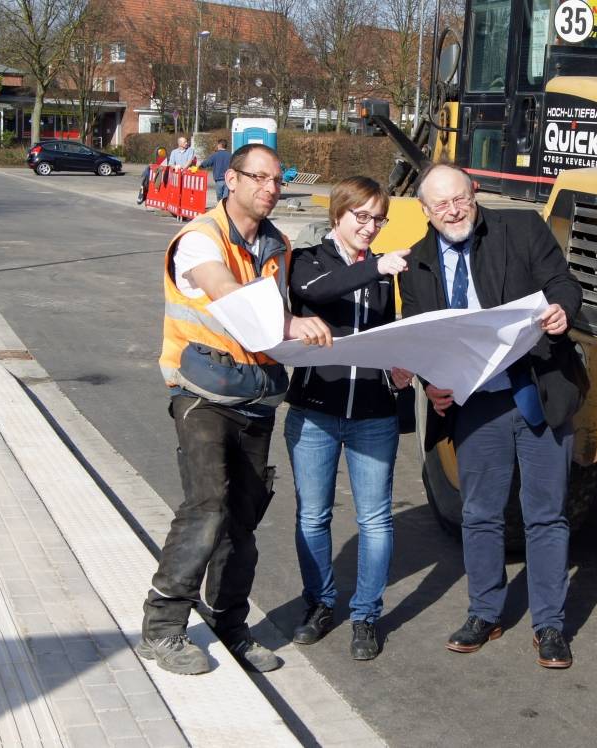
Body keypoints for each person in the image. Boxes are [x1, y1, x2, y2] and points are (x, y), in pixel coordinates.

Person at [137, 144, 332, 676]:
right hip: (201, 392)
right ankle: (163, 627)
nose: (270, 188)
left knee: (242, 521)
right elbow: (224, 291)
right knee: (207, 506)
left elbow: (286, 306)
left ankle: (229, 622)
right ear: (231, 180)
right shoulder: (200, 238)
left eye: (277, 179)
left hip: (256, 393)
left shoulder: (277, 244)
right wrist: (287, 326)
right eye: (258, 178)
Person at [399, 163, 583, 669]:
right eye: (441, 205)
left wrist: (562, 311)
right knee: (479, 514)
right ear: (425, 211)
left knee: (545, 514)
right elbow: (420, 340)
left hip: (536, 392)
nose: (454, 210)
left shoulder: (520, 229)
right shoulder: (417, 265)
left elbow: (563, 282)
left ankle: (549, 625)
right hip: (476, 404)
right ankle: (485, 612)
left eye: (460, 198)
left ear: (473, 193)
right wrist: (429, 382)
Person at [284, 177, 413, 661]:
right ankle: (319, 603)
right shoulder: (308, 261)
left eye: (379, 219)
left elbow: (396, 331)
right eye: (362, 216)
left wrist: (403, 367)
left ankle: (366, 615)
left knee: (376, 519)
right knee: (313, 516)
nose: (371, 227)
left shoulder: (388, 272)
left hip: (374, 415)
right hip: (315, 412)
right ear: (338, 214)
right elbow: (316, 293)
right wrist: (377, 266)